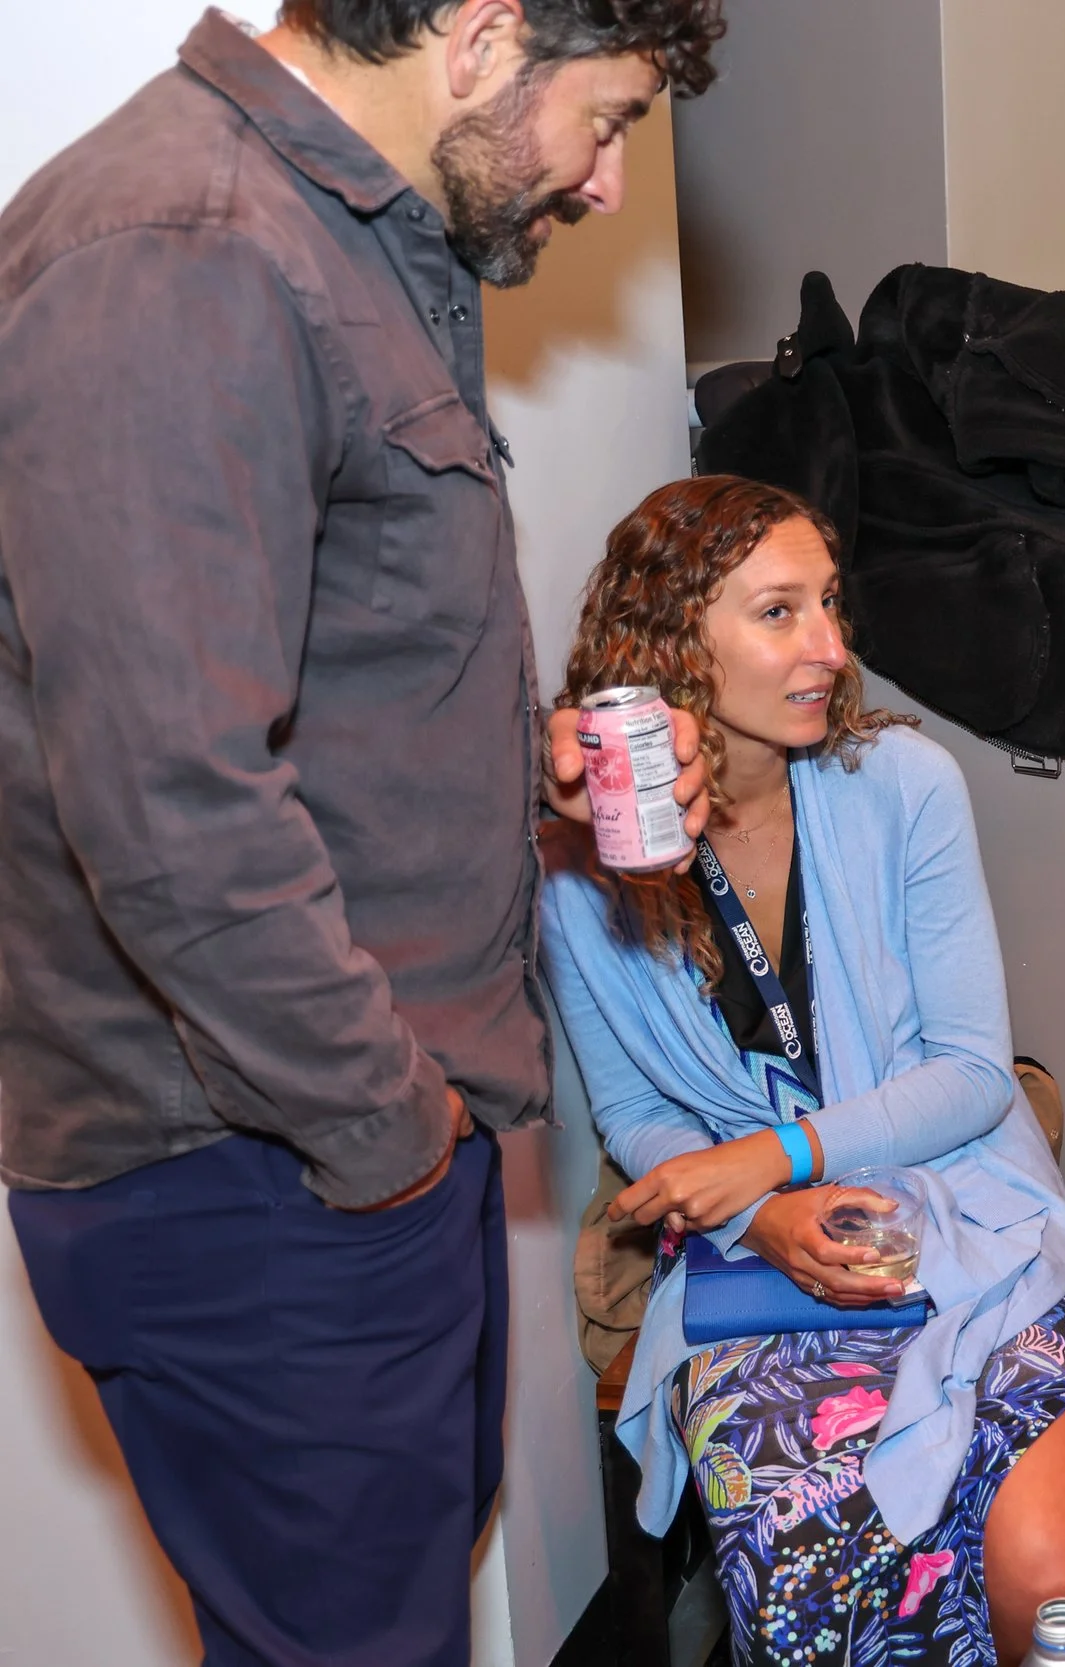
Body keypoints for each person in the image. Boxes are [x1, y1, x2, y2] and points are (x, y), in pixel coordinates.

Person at [0, 3, 721, 1661]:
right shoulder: (184, 252)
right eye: (603, 121)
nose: (609, 186)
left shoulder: (340, 239)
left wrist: (514, 764)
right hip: (260, 1166)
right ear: (482, 35)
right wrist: (388, 1140)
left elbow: (300, 668)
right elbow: (171, 806)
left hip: (338, 1147)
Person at [539, 474, 1065, 1667]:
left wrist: (770, 1155)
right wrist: (761, 1211)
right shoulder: (580, 863)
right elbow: (636, 1106)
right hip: (760, 1256)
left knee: (1046, 1581)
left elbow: (970, 1074)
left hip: (964, 1211)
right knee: (802, 1572)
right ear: (674, 641)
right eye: (780, 612)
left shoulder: (903, 787)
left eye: (829, 606)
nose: (831, 648)